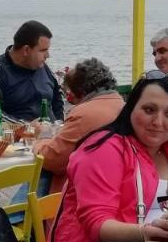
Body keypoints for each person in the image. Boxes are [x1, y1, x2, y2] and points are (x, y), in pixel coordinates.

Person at [44, 75, 168, 242]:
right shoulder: (104, 148)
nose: (158, 122)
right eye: (149, 110)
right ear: (130, 108)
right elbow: (98, 224)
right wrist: (147, 233)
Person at [32, 57, 125, 193]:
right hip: (114, 184)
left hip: (80, 191)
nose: (71, 100)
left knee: (39, 177)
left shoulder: (84, 113)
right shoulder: (122, 105)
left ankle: (18, 214)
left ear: (80, 92)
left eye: (70, 95)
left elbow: (52, 160)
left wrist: (43, 135)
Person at [0, 20, 65, 122]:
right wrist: (28, 129)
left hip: (52, 134)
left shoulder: (43, 68)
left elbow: (58, 98)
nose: (47, 55)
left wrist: (59, 126)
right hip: (15, 135)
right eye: (43, 50)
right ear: (26, 50)